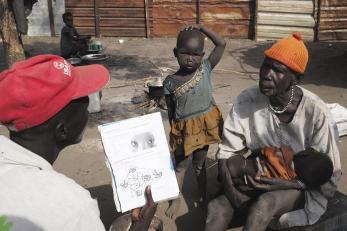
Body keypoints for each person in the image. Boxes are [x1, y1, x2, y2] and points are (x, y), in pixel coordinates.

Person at [0, 54, 156, 231]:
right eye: (84, 101)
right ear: (63, 130)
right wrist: (141, 226)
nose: (88, 110)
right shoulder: (71, 207)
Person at [205, 32, 342, 231]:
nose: (267, 74)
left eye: (277, 70)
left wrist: (284, 184)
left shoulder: (316, 113)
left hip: (298, 183)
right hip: (259, 172)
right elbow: (227, 152)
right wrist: (233, 194)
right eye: (266, 65)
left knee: (262, 207)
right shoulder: (247, 99)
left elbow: (329, 176)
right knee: (216, 208)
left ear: (296, 79)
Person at [163, 24, 226, 218]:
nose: (191, 58)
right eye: (185, 53)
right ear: (175, 52)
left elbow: (221, 43)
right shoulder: (170, 82)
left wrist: (202, 28)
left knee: (200, 165)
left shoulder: (205, 68)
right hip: (184, 130)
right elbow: (171, 111)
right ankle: (176, 198)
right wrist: (175, 131)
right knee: (180, 166)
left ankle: (203, 196)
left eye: (196, 54)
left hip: (204, 128)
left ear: (202, 55)